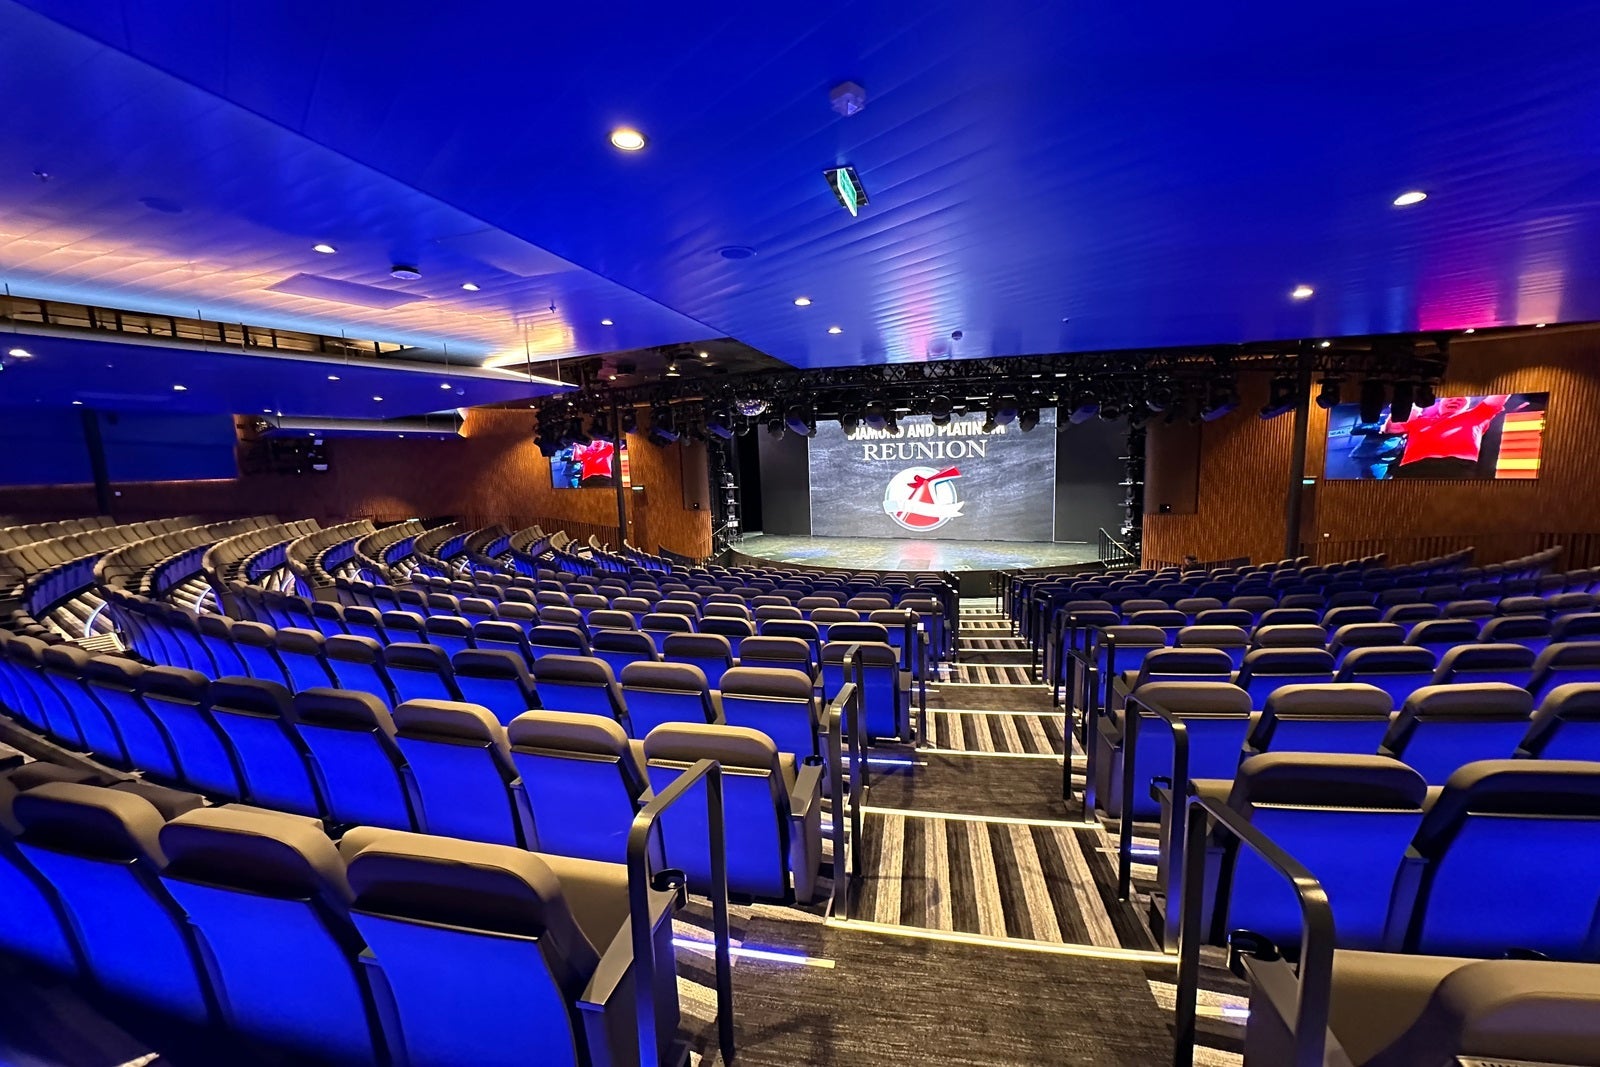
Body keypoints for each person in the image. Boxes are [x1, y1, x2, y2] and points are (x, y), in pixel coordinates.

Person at [1387, 395, 1514, 478]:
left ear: (1466, 406)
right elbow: (1393, 427)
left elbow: (1498, 398)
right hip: (1412, 470)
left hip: (1455, 468)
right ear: (1440, 404)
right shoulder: (1421, 420)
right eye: (1450, 399)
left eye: (1460, 400)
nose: (1454, 400)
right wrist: (1411, 405)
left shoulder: (1476, 415)